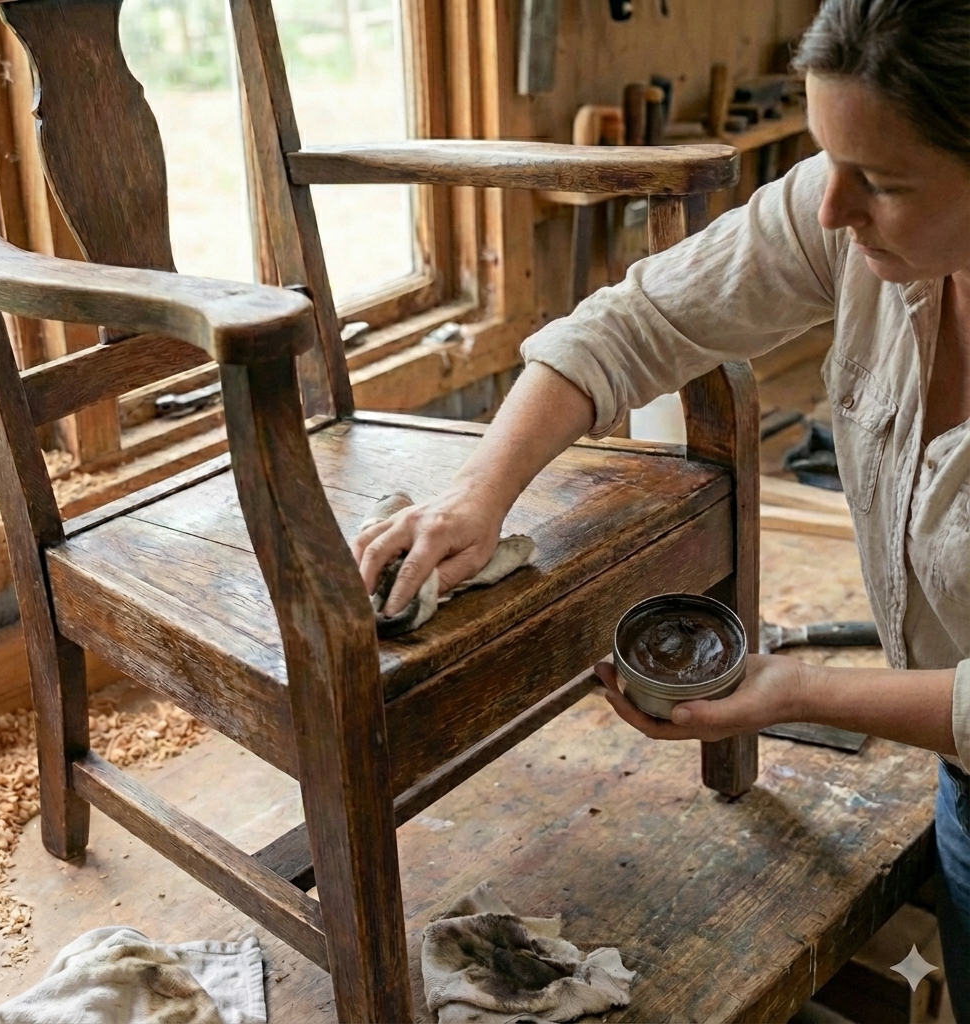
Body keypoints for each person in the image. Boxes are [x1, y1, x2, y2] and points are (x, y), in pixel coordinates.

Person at [352, 0, 969, 1014]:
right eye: (826, 160)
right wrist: (477, 495)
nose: (829, 209)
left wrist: (793, 689)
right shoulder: (850, 215)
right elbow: (640, 320)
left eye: (883, 183)